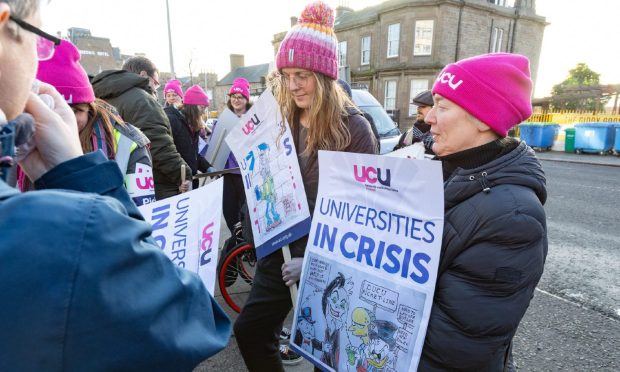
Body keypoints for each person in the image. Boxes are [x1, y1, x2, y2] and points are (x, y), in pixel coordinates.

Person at [0, 1, 231, 370]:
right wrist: (79, 174)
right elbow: (195, 321)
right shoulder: (73, 228)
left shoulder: (124, 138)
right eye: (38, 41)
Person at [233, 2, 377, 371]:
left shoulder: (354, 130)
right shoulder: (281, 119)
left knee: (324, 353)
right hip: (279, 250)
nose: (293, 84)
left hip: (325, 258)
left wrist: (313, 262)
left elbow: (358, 214)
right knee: (250, 331)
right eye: (287, 74)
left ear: (325, 76)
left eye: (303, 74)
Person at [419, 53, 547, 371]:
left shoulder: (513, 219)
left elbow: (457, 347)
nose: (428, 118)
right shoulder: (443, 173)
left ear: (482, 119)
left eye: (443, 106)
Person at [17, 39, 155, 206]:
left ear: (89, 108)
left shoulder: (128, 143)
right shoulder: (15, 147)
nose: (62, 121)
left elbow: (143, 217)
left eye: (75, 111)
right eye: (49, 110)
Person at [92, 56, 191, 200]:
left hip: (111, 181)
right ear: (143, 75)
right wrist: (183, 174)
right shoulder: (142, 100)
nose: (155, 90)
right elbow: (158, 145)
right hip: (150, 182)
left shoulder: (98, 97)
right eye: (155, 83)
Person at [165, 84, 211, 190]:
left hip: (189, 181)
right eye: (202, 107)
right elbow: (167, 155)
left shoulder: (192, 124)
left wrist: (207, 167)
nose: (203, 111)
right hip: (177, 184)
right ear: (192, 106)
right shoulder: (172, 120)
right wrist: (178, 180)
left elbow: (192, 154)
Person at [222, 77, 251, 235]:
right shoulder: (224, 118)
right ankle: (237, 241)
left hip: (244, 172)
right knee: (229, 211)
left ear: (246, 99)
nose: (236, 100)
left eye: (240, 97)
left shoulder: (252, 118)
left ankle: (247, 242)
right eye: (233, 96)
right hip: (227, 173)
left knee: (246, 212)